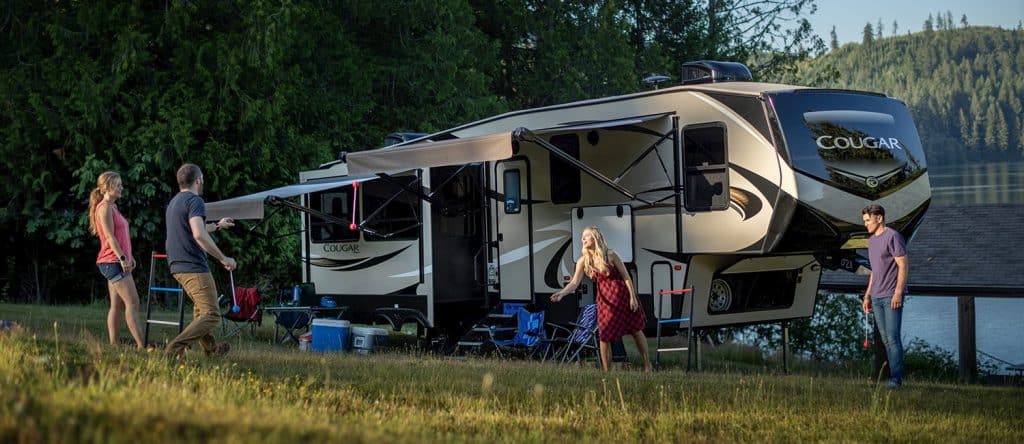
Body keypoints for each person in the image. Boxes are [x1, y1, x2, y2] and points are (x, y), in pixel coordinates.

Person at [551, 226, 652, 372]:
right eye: (582, 237)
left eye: (586, 236)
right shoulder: (583, 261)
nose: (582, 239)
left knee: (635, 330)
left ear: (595, 238)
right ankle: (607, 371)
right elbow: (574, 283)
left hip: (623, 296)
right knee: (604, 335)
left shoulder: (611, 255)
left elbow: (626, 276)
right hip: (605, 300)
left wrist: (633, 297)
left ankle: (647, 365)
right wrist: (561, 293)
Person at [164, 163, 237, 358]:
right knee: (211, 314)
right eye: (202, 179)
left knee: (200, 311)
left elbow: (197, 228)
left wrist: (219, 225)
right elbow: (198, 234)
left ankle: (211, 350)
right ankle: (173, 350)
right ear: (198, 180)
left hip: (177, 264)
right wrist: (223, 258)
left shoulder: (175, 202)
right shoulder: (195, 200)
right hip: (193, 265)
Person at [88, 171, 144, 349]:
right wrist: (122, 258)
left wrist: (130, 256)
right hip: (112, 261)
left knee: (117, 306)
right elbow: (110, 237)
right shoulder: (104, 208)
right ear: (106, 188)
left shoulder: (113, 207)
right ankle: (143, 346)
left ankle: (114, 345)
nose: (121, 188)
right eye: (117, 185)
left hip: (115, 261)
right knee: (133, 303)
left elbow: (121, 237)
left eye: (121, 184)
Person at [861, 204, 909, 389]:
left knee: (893, 338)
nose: (865, 224)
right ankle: (891, 378)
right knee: (885, 339)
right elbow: (874, 271)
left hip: (891, 295)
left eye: (868, 220)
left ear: (879, 218)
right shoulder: (872, 241)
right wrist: (867, 296)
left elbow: (903, 265)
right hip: (877, 296)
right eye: (864, 221)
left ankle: (896, 379)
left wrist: (898, 292)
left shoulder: (893, 237)